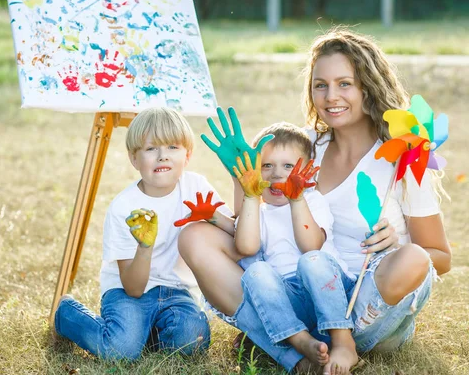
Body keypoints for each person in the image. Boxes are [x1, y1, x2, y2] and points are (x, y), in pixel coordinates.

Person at [299, 28, 450, 355]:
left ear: (368, 88)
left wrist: (398, 244)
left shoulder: (405, 157)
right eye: (320, 85)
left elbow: (439, 258)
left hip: (377, 306)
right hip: (318, 293)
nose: (330, 97)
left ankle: (328, 343)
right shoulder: (305, 147)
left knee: (413, 257)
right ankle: (323, 340)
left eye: (345, 84)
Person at [54, 106, 232, 360]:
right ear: (134, 159)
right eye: (151, 149)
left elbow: (235, 235)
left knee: (192, 342)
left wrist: (215, 216)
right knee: (121, 351)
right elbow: (133, 288)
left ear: (188, 155)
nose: (163, 156)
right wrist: (144, 247)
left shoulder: (196, 187)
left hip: (176, 291)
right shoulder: (124, 207)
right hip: (127, 293)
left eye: (173, 147)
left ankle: (145, 331)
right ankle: (67, 315)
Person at [181, 121, 358, 374]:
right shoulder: (259, 211)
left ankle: (342, 342)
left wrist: (296, 200)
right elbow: (246, 246)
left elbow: (311, 247)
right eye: (266, 166)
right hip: (286, 303)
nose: (277, 174)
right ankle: (298, 340)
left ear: (308, 171)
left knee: (312, 261)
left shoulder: (313, 201)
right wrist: (249, 196)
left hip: (326, 293)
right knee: (256, 272)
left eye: (288, 166)